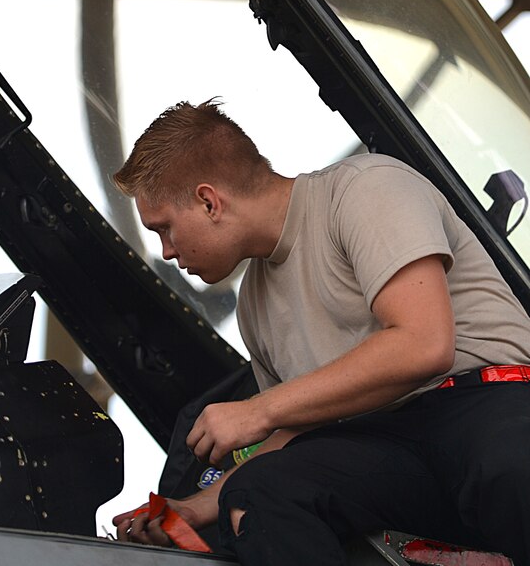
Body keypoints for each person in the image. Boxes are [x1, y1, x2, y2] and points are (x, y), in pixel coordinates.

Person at [111, 99, 530, 565]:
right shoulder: (254, 303)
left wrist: (259, 408)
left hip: (484, 405)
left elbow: (424, 344)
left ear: (210, 201)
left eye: (165, 228)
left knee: (508, 467)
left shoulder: (364, 189)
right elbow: (294, 431)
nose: (166, 251)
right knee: (261, 491)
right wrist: (194, 507)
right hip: (386, 448)